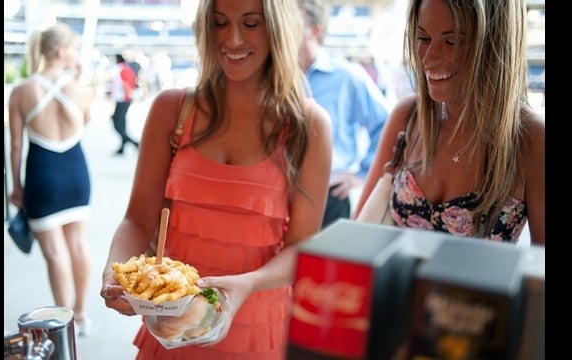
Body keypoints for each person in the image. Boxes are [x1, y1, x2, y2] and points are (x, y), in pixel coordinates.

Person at [99, 0, 333, 359]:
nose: (232, 39)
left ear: (277, 28)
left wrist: (247, 284)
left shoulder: (309, 125)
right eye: (220, 23)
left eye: (250, 23)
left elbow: (301, 247)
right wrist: (117, 272)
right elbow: (137, 219)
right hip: (171, 330)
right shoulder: (172, 110)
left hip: (259, 332)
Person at [353, 0, 545, 245]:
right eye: (422, 38)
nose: (429, 58)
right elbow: (356, 235)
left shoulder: (531, 140)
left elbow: (540, 273)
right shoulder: (407, 116)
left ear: (493, 43)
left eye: (451, 41)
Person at [7, 22, 95, 336]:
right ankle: (83, 314)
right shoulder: (81, 89)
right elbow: (85, 122)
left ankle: (65, 323)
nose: (76, 54)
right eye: (73, 48)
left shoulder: (21, 91)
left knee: (55, 254)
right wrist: (80, 81)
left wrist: (16, 186)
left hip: (43, 177)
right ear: (61, 52)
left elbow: (16, 144)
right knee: (79, 246)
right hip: (76, 174)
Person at [297, 0, 392, 229]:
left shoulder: (347, 77)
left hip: (330, 198)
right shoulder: (274, 79)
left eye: (291, 24)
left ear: (315, 31)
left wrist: (362, 174)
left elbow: (388, 123)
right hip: (282, 194)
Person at [110, 53, 139, 155]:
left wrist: (127, 96)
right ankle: (122, 146)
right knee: (121, 123)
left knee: (117, 123)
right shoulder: (126, 68)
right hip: (124, 98)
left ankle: (134, 143)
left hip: (123, 99)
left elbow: (126, 84)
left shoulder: (121, 69)